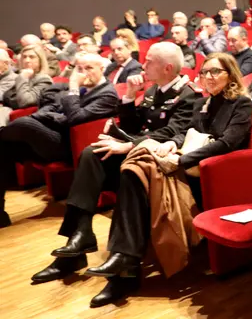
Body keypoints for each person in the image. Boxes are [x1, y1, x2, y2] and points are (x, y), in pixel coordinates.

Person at [83, 53, 252, 307]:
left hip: (212, 174)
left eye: (216, 71)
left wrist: (181, 160)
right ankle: (124, 262)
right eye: (204, 72)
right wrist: (173, 144)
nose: (208, 77)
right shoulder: (202, 103)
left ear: (231, 74)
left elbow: (228, 143)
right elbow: (187, 132)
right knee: (132, 172)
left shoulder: (241, 103)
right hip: (188, 164)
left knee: (136, 174)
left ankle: (125, 268)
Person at [30, 42, 199, 284]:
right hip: (139, 153)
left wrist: (129, 146)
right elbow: (133, 126)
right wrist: (129, 96)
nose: (143, 64)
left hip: (159, 162)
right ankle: (80, 236)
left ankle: (123, 266)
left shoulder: (189, 94)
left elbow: (172, 132)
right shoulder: (153, 91)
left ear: (167, 68)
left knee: (126, 169)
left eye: (149, 61)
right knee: (92, 153)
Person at [0, 52, 120, 227]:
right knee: (3, 149)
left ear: (102, 69)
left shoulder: (107, 95)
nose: (83, 73)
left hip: (70, 146)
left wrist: (73, 88)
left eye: (89, 68)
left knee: (25, 123)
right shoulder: (78, 90)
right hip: (51, 137)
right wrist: (58, 117)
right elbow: (48, 109)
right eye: (79, 68)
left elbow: (75, 118)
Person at [0, 45, 51, 124]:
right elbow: (7, 98)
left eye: (32, 57)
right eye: (24, 57)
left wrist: (23, 78)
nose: (27, 60)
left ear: (40, 60)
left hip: (28, 121)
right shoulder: (21, 76)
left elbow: (25, 102)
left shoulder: (44, 80)